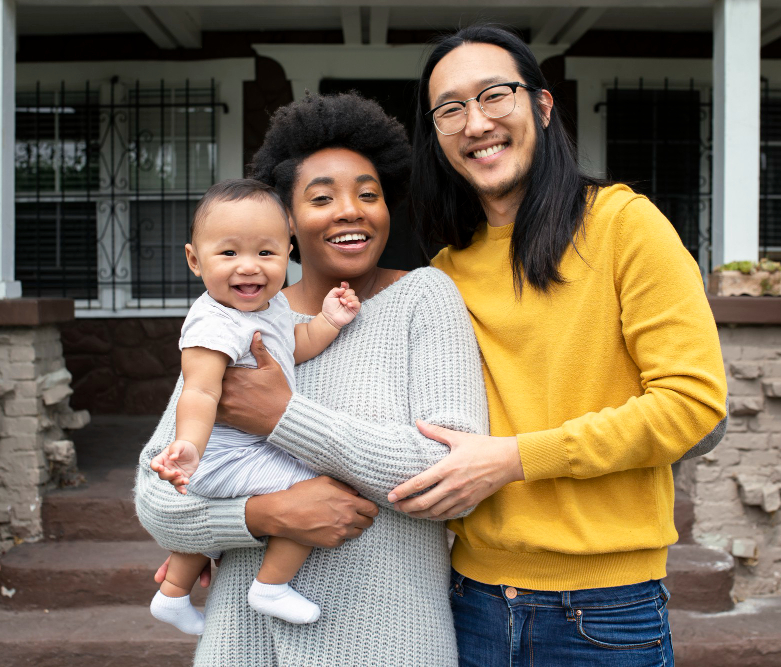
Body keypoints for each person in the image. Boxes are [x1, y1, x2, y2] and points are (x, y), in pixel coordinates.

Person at [387, 25, 729, 665]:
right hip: (467, 600)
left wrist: (514, 459)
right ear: (437, 135)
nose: (476, 122)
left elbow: (692, 403)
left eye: (495, 95)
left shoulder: (624, 226)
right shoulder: (443, 275)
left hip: (604, 610)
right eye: (450, 109)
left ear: (541, 107)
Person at [135, 92, 488, 666]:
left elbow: (449, 477)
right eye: (322, 198)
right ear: (289, 222)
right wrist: (264, 515)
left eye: (368, 195)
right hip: (242, 644)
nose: (351, 210)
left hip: (390, 641)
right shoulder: (236, 317)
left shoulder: (425, 297)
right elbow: (159, 498)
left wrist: (283, 417)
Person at [148, 179, 361, 633]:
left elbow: (294, 347)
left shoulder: (270, 309)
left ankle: (172, 594)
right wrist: (188, 445)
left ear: (288, 253)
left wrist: (327, 321)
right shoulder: (214, 321)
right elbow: (201, 392)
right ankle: (271, 585)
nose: (249, 267)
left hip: (241, 451)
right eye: (228, 254)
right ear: (194, 259)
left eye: (266, 253)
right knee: (309, 487)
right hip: (222, 454)